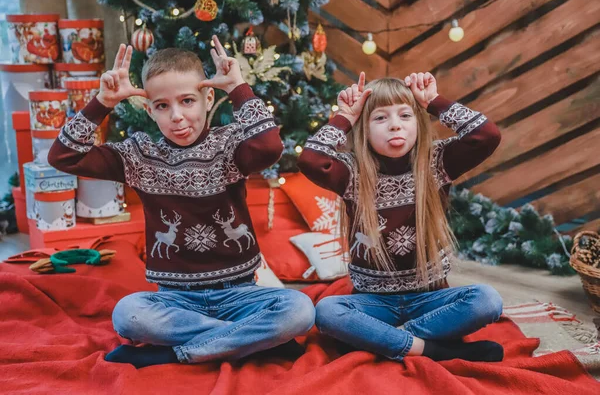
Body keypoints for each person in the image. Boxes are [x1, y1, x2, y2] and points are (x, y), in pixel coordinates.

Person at [48, 37, 315, 368]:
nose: (177, 116)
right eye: (162, 106)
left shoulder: (229, 144)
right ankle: (253, 342)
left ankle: (176, 353)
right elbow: (63, 156)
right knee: (127, 314)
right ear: (149, 110)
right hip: (174, 299)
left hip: (240, 293)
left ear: (208, 98)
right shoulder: (140, 155)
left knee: (300, 309)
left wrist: (239, 87)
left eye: (187, 101)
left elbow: (270, 147)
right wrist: (102, 102)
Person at [297, 71, 504, 363]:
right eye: (380, 118)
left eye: (405, 116)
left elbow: (487, 136)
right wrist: (344, 117)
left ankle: (383, 339)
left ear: (418, 123)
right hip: (373, 302)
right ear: (364, 128)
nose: (395, 126)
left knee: (487, 300)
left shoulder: (436, 161)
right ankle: (433, 350)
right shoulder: (351, 171)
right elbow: (310, 160)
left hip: (430, 299)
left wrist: (433, 101)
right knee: (328, 312)